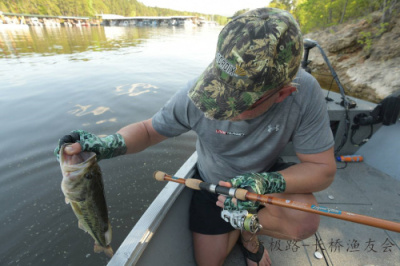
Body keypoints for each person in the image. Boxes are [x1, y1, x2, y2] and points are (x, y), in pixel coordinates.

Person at [55, 8, 336, 266]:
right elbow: (148, 130)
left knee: (304, 220)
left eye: (240, 103)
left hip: (265, 183)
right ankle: (241, 223)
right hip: (212, 185)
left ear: (283, 93)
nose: (221, 107)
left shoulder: (305, 92)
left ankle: (248, 234)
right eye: (220, 89)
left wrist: (263, 183)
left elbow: (322, 169)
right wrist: (109, 144)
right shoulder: (199, 91)